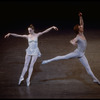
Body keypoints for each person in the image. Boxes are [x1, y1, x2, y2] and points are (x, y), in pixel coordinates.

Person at [42, 12, 100, 85]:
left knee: (88, 69)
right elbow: (72, 41)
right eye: (80, 27)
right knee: (64, 57)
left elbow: (82, 23)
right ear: (79, 30)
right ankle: (48, 60)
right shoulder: (78, 37)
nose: (81, 27)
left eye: (81, 26)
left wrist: (80, 16)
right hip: (77, 53)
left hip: (82, 55)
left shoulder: (82, 33)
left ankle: (95, 79)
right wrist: (73, 43)